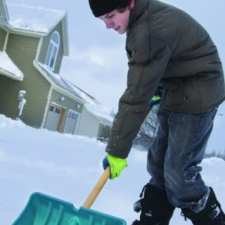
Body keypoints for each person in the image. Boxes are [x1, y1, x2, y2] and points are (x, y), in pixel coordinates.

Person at [88, 0, 225, 224]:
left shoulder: (149, 31)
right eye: (104, 19)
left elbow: (135, 98)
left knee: (179, 174)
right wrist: (157, 89)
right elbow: (154, 69)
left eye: (111, 16)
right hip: (175, 87)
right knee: (159, 166)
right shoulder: (141, 21)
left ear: (129, 4)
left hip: (200, 91)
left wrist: (117, 151)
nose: (108, 25)